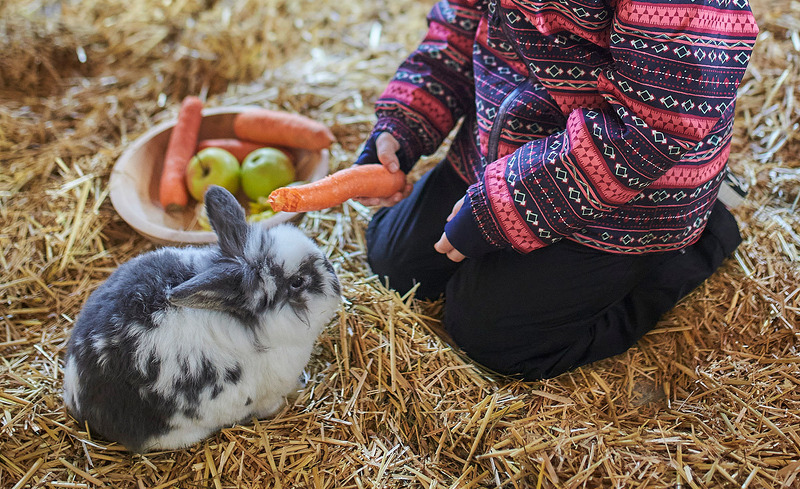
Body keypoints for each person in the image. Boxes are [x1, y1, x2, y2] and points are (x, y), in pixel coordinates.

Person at [353, 0, 759, 380]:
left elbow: (649, 131)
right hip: (497, 148)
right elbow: (456, 31)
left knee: (491, 334)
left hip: (634, 193)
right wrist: (405, 123)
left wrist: (504, 206)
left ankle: (702, 238)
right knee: (397, 263)